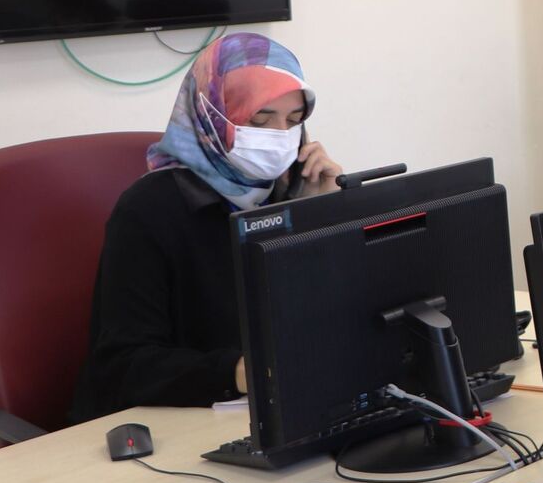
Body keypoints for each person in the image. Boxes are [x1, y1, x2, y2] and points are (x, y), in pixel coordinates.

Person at [67, 33, 342, 422]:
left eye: (294, 121)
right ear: (211, 113)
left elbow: (332, 323)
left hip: (281, 410)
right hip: (174, 425)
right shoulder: (148, 210)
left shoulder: (291, 193)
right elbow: (123, 365)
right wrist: (237, 373)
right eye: (260, 119)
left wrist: (326, 214)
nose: (279, 136)